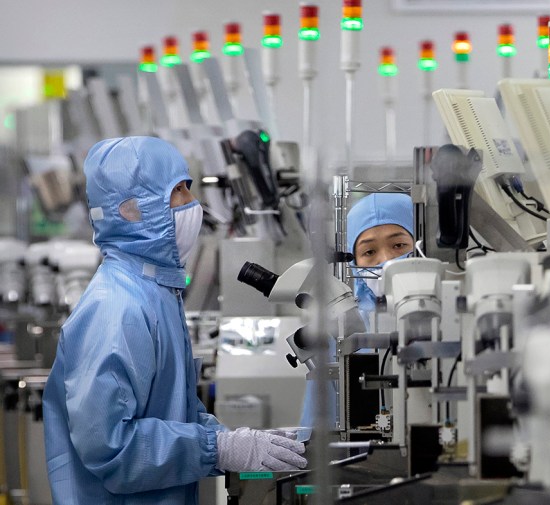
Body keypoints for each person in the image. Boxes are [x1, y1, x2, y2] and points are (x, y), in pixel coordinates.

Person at [42, 137, 307, 505]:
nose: (192, 204)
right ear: (133, 210)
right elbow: (111, 447)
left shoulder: (154, 291)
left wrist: (241, 442)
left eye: (188, 188)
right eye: (177, 192)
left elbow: (172, 411)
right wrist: (217, 449)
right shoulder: (118, 309)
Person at [298, 192, 414, 432]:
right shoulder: (343, 334)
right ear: (354, 263)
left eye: (399, 245)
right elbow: (318, 434)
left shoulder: (455, 320)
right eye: (369, 252)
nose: (387, 261)